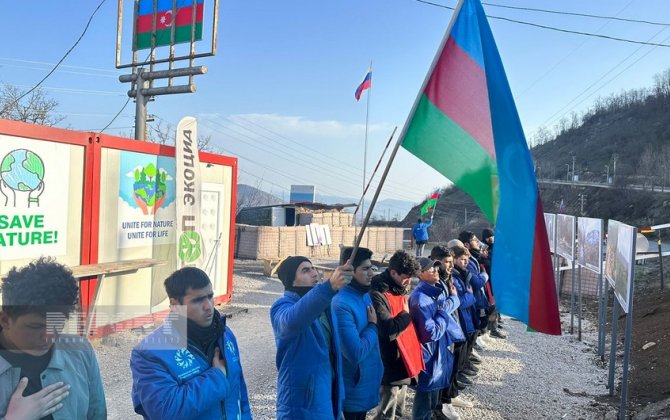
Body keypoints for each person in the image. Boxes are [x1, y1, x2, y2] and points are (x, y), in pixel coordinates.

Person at [130, 267, 251, 419]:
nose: (208, 306)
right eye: (198, 300)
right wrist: (216, 377)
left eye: (210, 296)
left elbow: (240, 395)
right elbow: (165, 411)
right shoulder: (149, 352)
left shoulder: (225, 335)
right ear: (175, 305)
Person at [0, 257, 107, 420]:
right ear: (5, 320)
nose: (49, 337)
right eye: (36, 327)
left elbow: (97, 414)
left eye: (58, 325)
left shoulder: (81, 351)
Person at [270, 256, 351, 419]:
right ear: (291, 281)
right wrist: (329, 287)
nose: (314, 273)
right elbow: (291, 322)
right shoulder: (281, 307)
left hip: (327, 398)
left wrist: (338, 398)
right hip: (301, 407)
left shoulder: (325, 306)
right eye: (305, 270)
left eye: (313, 268)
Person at [369, 250, 423, 420]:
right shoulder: (378, 293)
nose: (408, 282)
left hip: (403, 359)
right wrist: (406, 314)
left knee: (399, 406)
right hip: (390, 360)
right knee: (386, 408)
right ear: (393, 273)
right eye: (405, 277)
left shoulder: (398, 287)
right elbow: (389, 329)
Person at [332, 247, 384, 420]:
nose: (371, 273)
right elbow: (355, 353)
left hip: (366, 384)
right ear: (349, 271)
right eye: (365, 269)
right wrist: (372, 326)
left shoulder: (363, 294)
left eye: (371, 268)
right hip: (353, 389)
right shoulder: (341, 304)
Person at [409, 257, 460, 420]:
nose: (436, 271)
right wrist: (444, 311)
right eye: (431, 269)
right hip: (429, 356)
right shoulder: (420, 299)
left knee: (431, 401)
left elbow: (444, 309)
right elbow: (432, 333)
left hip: (438, 353)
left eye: (436, 268)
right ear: (419, 273)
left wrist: (452, 300)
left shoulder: (434, 292)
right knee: (424, 402)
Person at [430, 246, 474, 414]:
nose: (451, 265)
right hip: (444, 333)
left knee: (452, 367)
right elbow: (443, 307)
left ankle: (447, 398)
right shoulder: (434, 281)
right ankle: (441, 404)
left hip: (455, 329)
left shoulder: (449, 277)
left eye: (451, 261)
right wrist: (457, 298)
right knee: (440, 372)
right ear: (436, 261)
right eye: (447, 262)